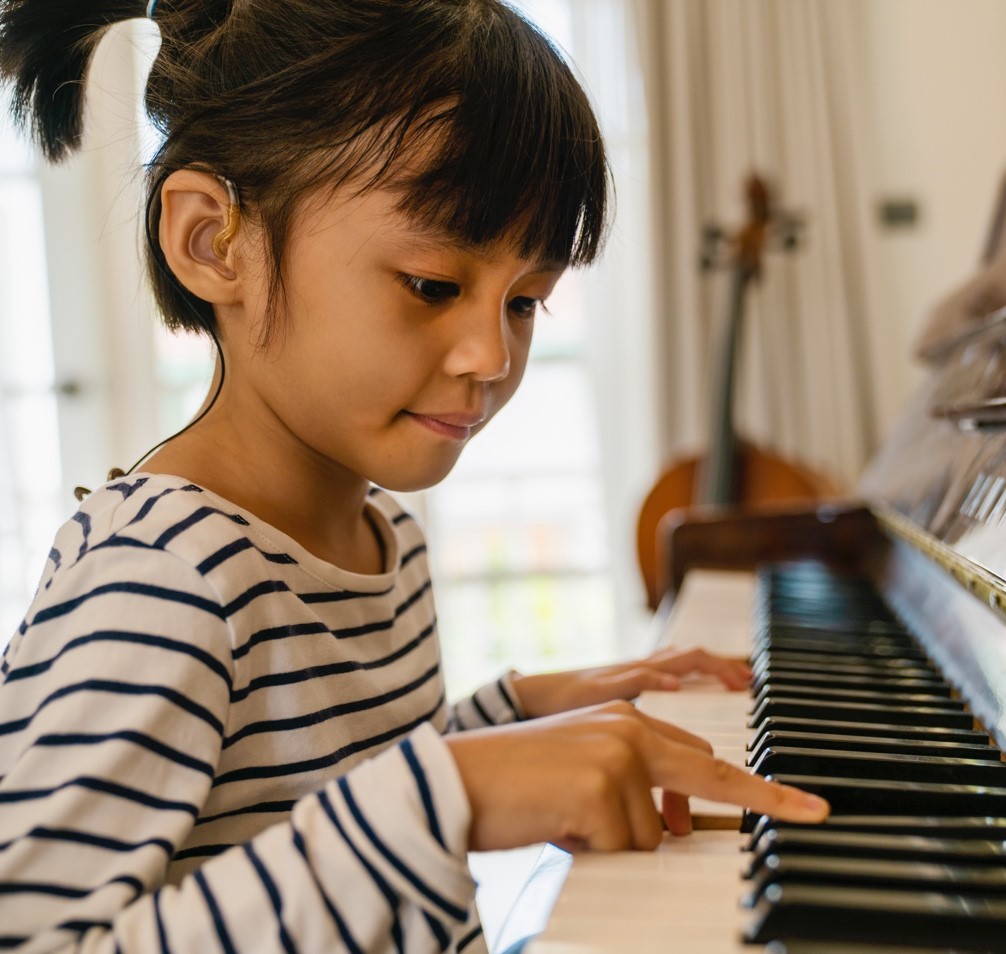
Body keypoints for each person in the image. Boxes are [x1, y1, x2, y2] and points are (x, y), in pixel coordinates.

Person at [0, 1, 830, 951]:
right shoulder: (161, 579)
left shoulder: (380, 536)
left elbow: (318, 794)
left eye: (526, 301)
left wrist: (506, 722)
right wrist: (454, 791)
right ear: (212, 241)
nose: (490, 354)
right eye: (434, 285)